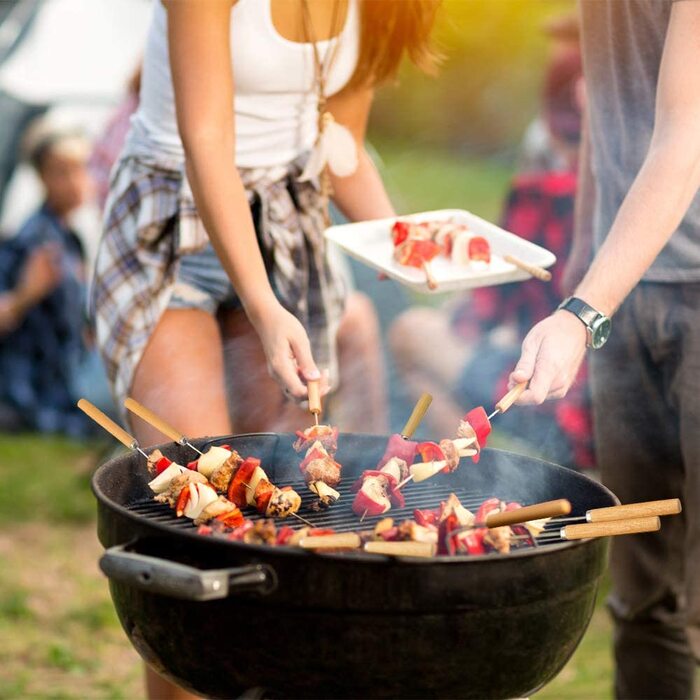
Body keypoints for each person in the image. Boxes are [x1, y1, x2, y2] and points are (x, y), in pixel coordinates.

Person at [90, 1, 440, 697]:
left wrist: (405, 244)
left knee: (284, 523)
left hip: (287, 230)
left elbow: (339, 140)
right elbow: (207, 138)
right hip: (173, 223)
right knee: (193, 528)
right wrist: (264, 303)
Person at [509, 3, 700, 697]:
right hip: (629, 294)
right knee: (641, 596)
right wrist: (585, 260)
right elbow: (609, 107)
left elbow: (683, 140)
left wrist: (583, 312)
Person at [388, 16, 593, 469]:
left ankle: (466, 482)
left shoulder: (542, 191)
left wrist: (453, 308)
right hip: (618, 399)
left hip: (555, 396)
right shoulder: (649, 199)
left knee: (411, 333)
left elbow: (482, 313)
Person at [0, 121, 113, 436]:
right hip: (37, 383)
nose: (76, 181)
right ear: (42, 178)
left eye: (82, 169)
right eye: (62, 171)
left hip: (69, 370)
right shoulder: (31, 238)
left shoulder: (70, 237)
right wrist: (26, 294)